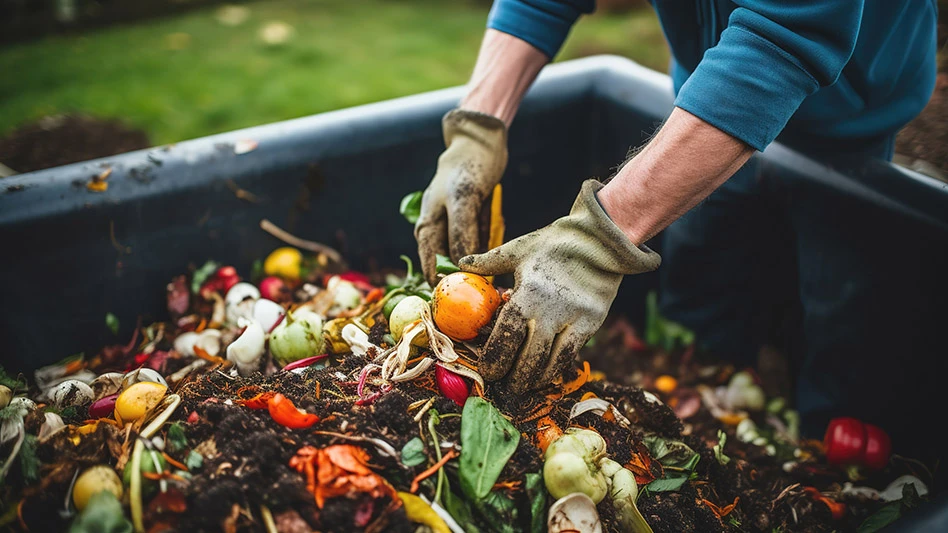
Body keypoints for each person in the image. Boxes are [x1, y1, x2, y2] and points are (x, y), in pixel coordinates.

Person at [414, 0, 941, 454]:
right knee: (697, 317)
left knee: (843, 332)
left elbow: (786, 32)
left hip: (847, 119)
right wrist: (477, 127)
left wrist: (599, 238)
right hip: (704, 105)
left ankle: (823, 466)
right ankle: (715, 426)